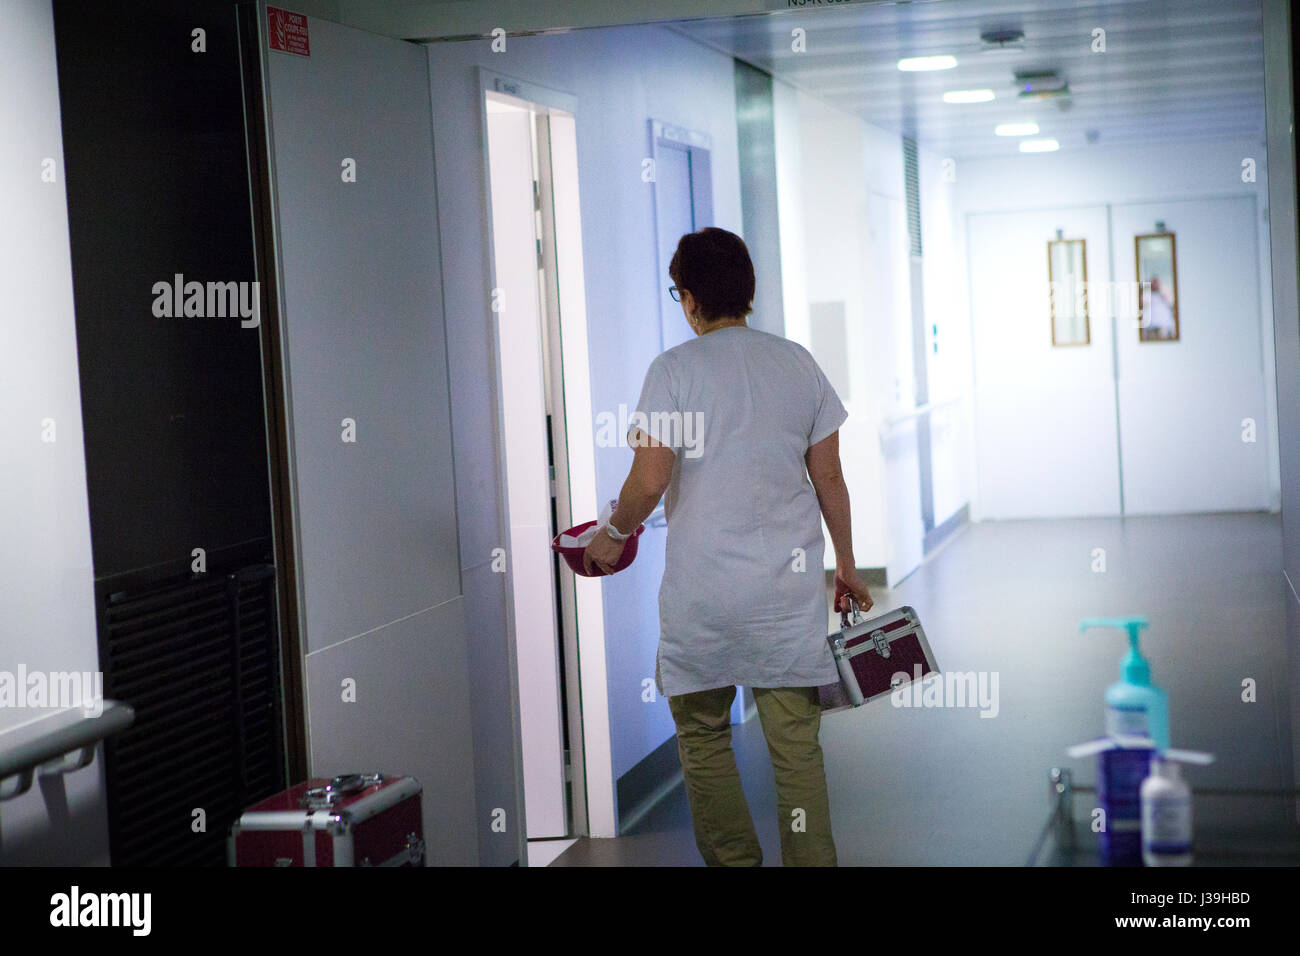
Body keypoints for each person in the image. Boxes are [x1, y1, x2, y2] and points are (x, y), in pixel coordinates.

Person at [582, 226, 873, 866]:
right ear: (750, 291)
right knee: (796, 749)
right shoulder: (797, 362)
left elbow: (649, 479)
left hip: (702, 594)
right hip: (785, 594)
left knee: (704, 740)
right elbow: (829, 478)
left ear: (688, 298)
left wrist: (613, 535)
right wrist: (846, 565)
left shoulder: (674, 371)